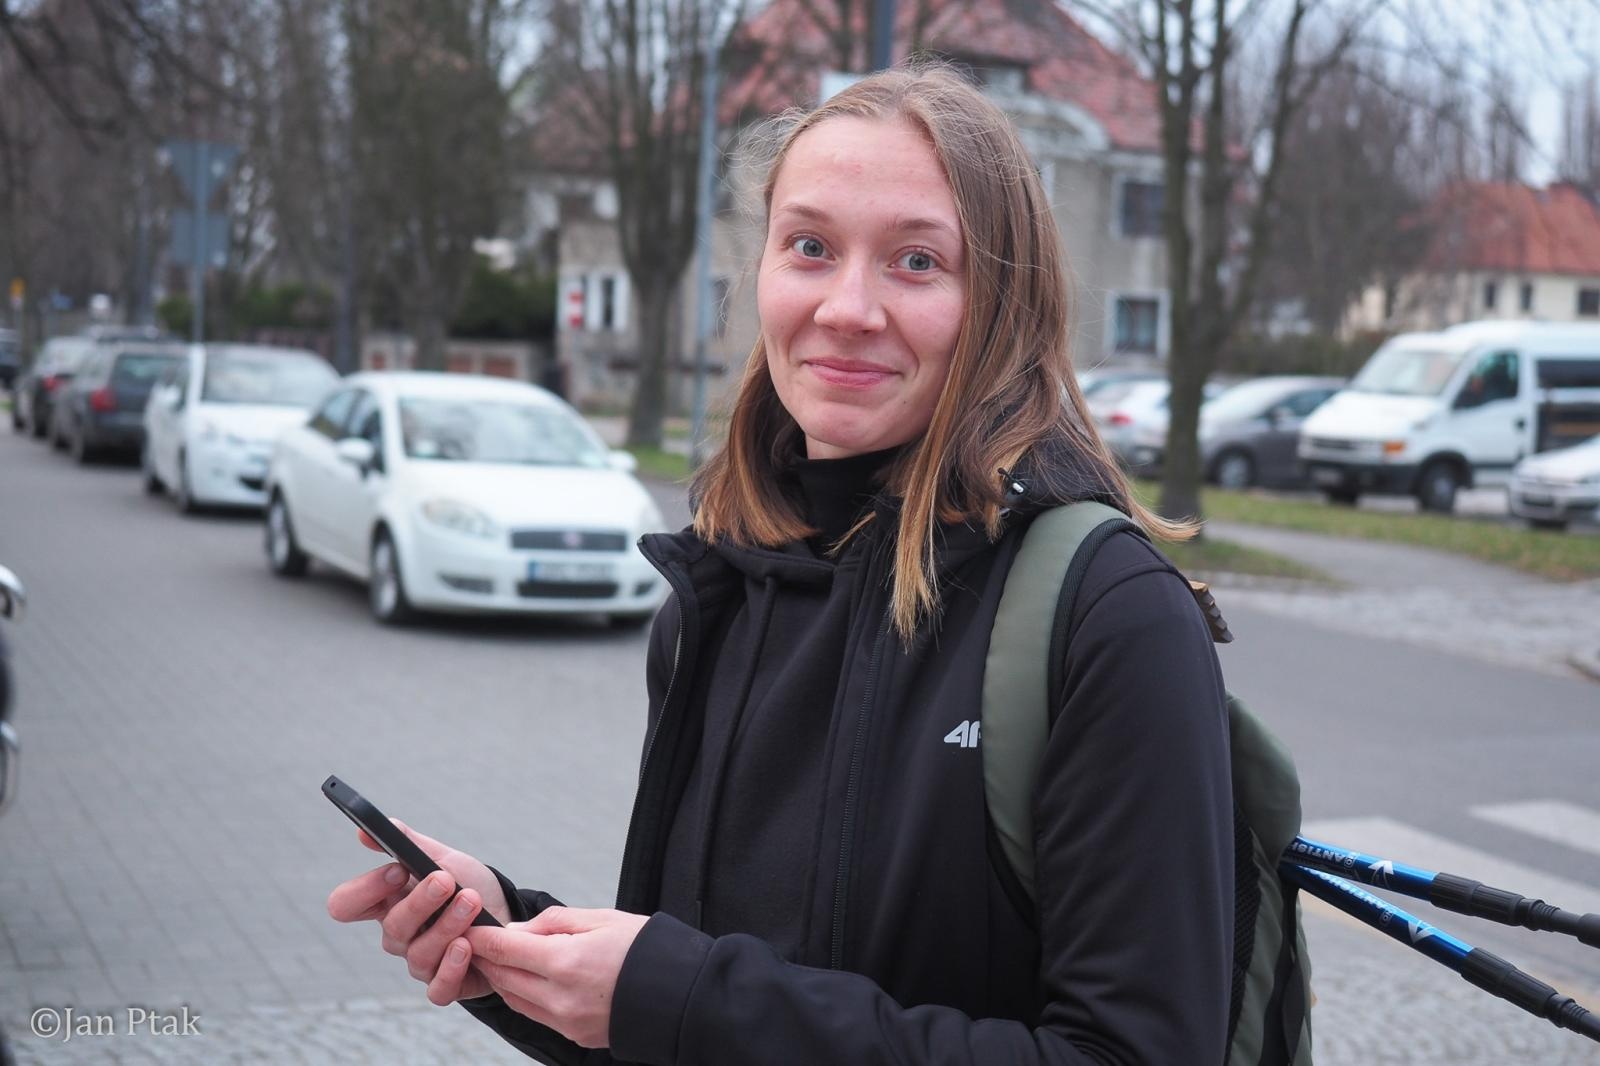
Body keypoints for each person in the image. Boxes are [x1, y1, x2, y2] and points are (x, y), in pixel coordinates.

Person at [328, 64, 1234, 1064]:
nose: (847, 307)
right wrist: (518, 944)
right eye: (810, 246)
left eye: (917, 261)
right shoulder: (718, 594)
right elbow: (706, 1006)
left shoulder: (1107, 618)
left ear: (1002, 304)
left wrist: (677, 998)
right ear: (760, 270)